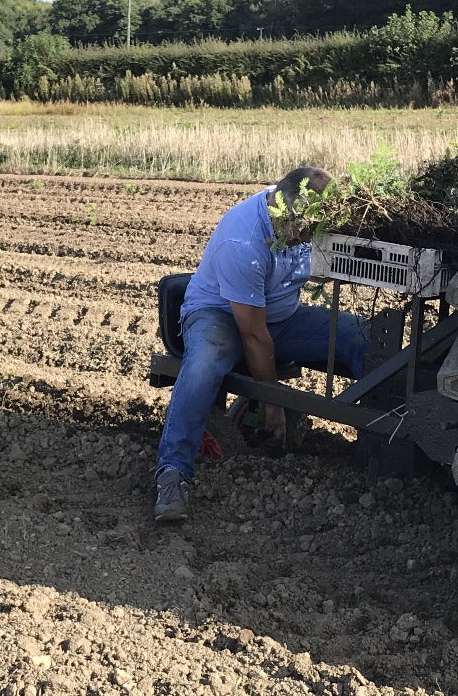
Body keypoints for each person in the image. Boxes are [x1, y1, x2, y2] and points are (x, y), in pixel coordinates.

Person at [154, 166, 369, 522]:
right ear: (281, 213)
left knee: (361, 337)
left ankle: (384, 444)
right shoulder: (242, 242)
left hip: (279, 316)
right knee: (204, 364)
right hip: (219, 314)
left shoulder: (304, 217)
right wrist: (272, 404)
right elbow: (253, 334)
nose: (308, 238)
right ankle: (172, 473)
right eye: (303, 231)